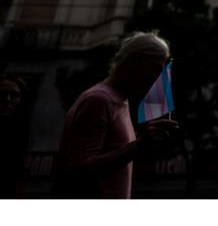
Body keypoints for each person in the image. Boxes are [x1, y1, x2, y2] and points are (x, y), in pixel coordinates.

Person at [54, 32, 178, 198]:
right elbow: (80, 168)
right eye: (155, 68)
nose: (158, 79)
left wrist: (145, 141)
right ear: (134, 62)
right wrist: (139, 145)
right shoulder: (99, 100)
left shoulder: (119, 100)